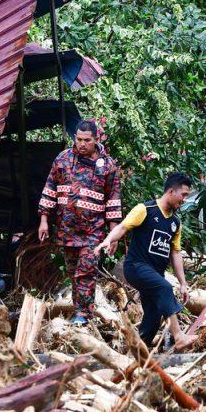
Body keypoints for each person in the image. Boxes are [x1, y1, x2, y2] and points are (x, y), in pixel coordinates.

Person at [93, 172, 195, 350]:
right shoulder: (145, 210)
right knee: (164, 287)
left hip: (155, 274)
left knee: (154, 317)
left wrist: (183, 283)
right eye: (183, 195)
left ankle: (138, 352)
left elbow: (176, 253)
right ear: (171, 191)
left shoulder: (175, 223)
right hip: (136, 267)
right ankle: (178, 336)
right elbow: (123, 226)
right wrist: (108, 240)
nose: (184, 199)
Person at [38, 120, 122, 324]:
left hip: (94, 232)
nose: (82, 144)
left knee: (85, 273)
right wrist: (44, 219)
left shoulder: (108, 165)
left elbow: (113, 200)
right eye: (78, 139)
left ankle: (83, 316)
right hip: (67, 229)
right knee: (73, 273)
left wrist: (113, 236)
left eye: (87, 140)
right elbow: (50, 188)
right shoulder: (63, 159)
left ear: (96, 139)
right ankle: (80, 311)